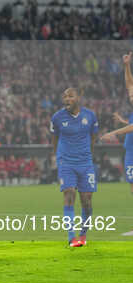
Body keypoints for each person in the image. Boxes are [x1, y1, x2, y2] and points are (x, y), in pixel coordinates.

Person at [51, 88, 98, 247]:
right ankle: (71, 237)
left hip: (85, 163)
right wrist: (57, 157)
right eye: (64, 96)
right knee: (69, 193)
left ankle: (83, 235)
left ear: (79, 97)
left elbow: (93, 137)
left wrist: (88, 156)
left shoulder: (90, 116)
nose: (66, 99)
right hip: (66, 162)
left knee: (87, 201)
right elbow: (55, 139)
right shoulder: (57, 117)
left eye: (70, 96)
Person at [104, 52, 133, 236]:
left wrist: (113, 133)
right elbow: (129, 84)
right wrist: (126, 66)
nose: (131, 95)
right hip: (130, 152)